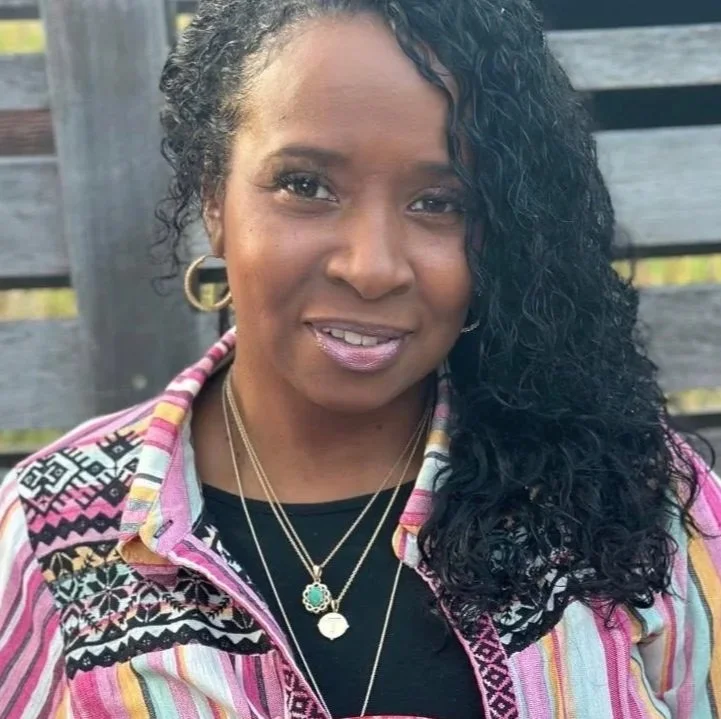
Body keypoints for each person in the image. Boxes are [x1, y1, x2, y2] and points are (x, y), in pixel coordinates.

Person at [1, 0, 719, 717]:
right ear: (214, 199)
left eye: (440, 202)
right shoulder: (48, 530)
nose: (371, 268)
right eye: (305, 186)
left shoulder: (633, 495)